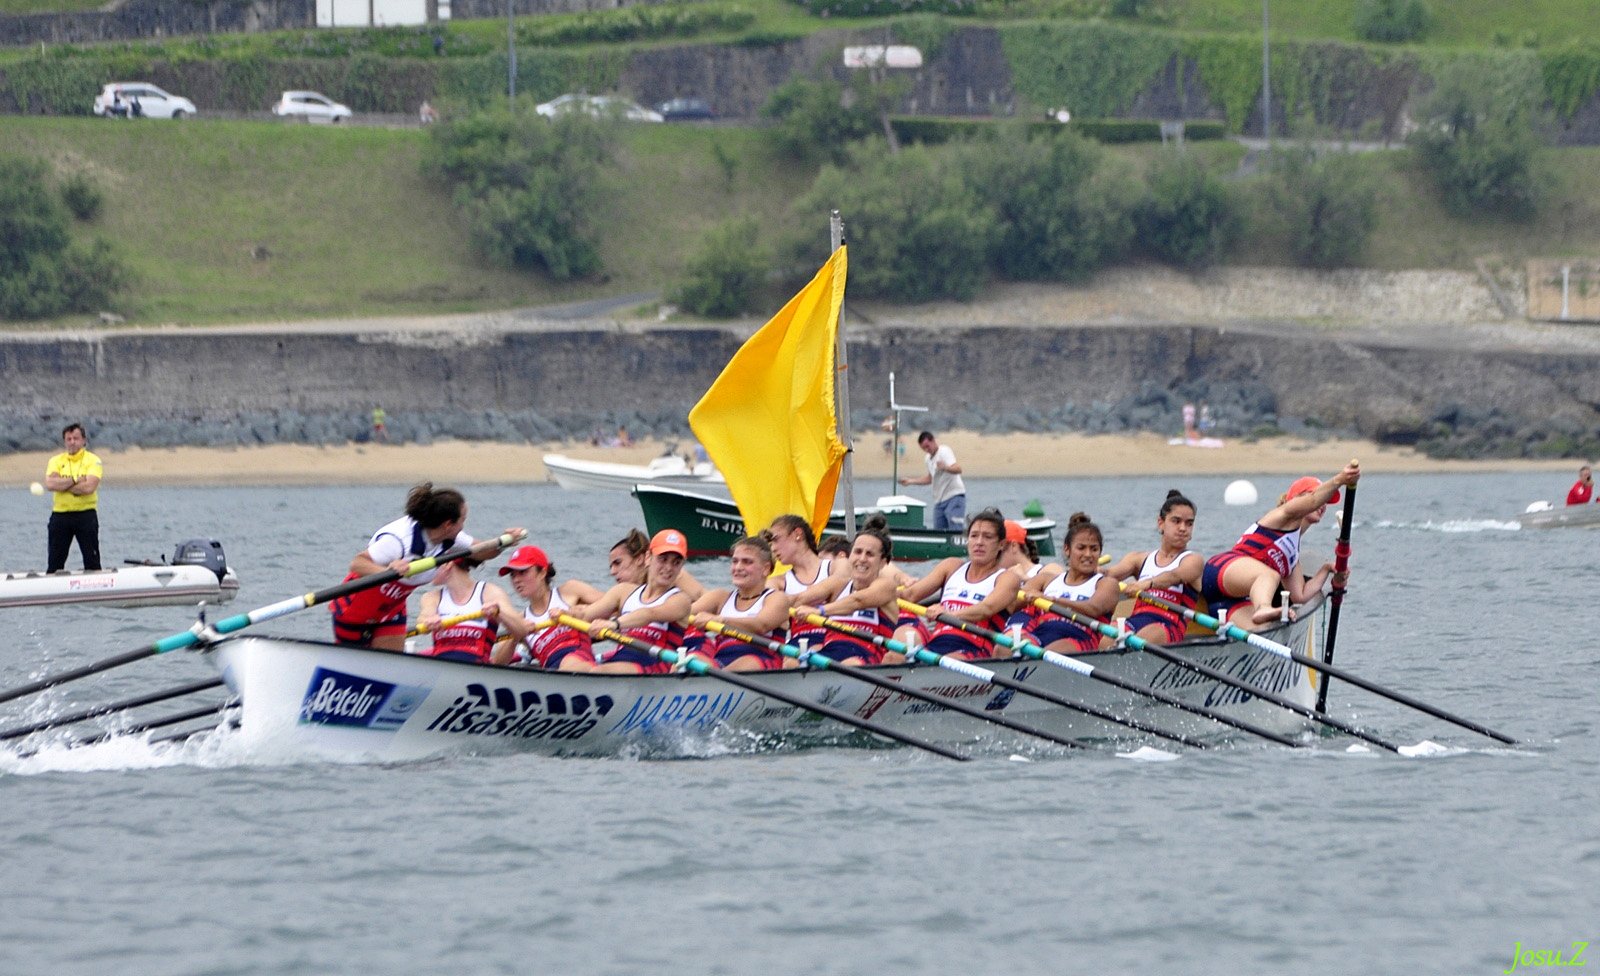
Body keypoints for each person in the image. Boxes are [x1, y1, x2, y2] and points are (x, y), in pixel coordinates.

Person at [1199, 463, 1361, 630]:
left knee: (1263, 632)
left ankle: (1260, 614)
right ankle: (1263, 608)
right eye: (1322, 497)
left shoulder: (1292, 557)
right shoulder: (1282, 516)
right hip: (1220, 570)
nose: (1324, 504)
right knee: (1270, 575)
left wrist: (1326, 569)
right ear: (1297, 499)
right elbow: (1313, 501)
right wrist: (1341, 479)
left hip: (1230, 600)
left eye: (1327, 501)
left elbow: (1301, 596)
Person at [329, 482, 475, 650]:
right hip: (355, 608)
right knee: (355, 666)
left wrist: (506, 540)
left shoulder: (452, 537)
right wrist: (387, 572)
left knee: (389, 666)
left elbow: (482, 550)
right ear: (448, 524)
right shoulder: (398, 539)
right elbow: (357, 564)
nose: (463, 525)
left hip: (392, 610)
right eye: (463, 520)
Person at [898, 509, 1021, 661]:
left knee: (948, 659)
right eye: (974, 536)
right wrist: (874, 593)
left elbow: (986, 609)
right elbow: (909, 595)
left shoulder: (1007, 578)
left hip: (975, 651)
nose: (979, 542)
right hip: (936, 645)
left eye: (987, 537)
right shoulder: (951, 566)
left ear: (1001, 544)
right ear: (967, 540)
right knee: (893, 656)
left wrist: (947, 614)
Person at [579, 529, 694, 674]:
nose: (669, 568)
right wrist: (561, 613)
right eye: (663, 559)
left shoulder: (680, 600)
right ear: (648, 558)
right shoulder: (624, 591)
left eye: (676, 562)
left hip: (655, 667)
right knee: (575, 668)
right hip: (621, 659)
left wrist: (613, 624)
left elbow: (649, 614)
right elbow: (584, 615)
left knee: (597, 672)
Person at [793, 523, 900, 666]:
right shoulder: (839, 584)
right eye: (858, 552)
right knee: (791, 663)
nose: (862, 559)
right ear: (850, 556)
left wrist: (819, 611)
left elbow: (858, 601)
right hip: (830, 652)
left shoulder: (886, 586)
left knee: (850, 664)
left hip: (865, 656)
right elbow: (799, 598)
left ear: (883, 562)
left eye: (870, 554)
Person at [1105, 490, 1204, 644]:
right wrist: (1088, 570)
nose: (1183, 528)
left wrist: (1147, 583)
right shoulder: (1139, 559)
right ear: (1161, 523)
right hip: (1135, 621)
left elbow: (1174, 576)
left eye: (1189, 523)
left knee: (1146, 635)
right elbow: (1110, 574)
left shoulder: (1193, 561)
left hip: (1168, 626)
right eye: (1176, 521)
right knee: (1108, 634)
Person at [686, 536, 792, 671]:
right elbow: (681, 615)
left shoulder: (776, 598)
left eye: (747, 562)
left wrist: (719, 620)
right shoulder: (719, 597)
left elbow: (761, 625)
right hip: (721, 663)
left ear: (766, 569)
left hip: (761, 662)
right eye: (735, 561)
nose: (738, 567)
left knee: (747, 663)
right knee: (692, 658)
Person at [1017, 513, 1120, 653]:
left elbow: (1093, 608)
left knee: (1052, 650)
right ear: (1067, 550)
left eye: (1094, 549)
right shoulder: (1046, 580)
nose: (1088, 554)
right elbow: (1012, 602)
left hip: (1080, 639)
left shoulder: (1107, 584)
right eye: (1081, 548)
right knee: (1005, 648)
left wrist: (1051, 600)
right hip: (1042, 635)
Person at [500, 545, 604, 671]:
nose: (516, 580)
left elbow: (616, 606)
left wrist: (581, 612)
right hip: (553, 671)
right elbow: (497, 663)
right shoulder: (520, 620)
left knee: (569, 661)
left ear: (542, 572)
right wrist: (516, 636)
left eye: (523, 572)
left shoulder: (571, 591)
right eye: (512, 575)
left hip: (579, 659)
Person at [416, 558, 520, 664]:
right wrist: (427, 621)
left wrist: (499, 613)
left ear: (448, 564)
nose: (426, 572)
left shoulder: (490, 593)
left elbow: (521, 629)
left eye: (433, 564)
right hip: (441, 669)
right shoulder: (431, 597)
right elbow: (423, 618)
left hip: (477, 670)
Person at [767, 513, 846, 650]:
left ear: (798, 534)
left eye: (776, 539)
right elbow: (770, 606)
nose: (773, 548)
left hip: (836, 638)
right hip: (800, 642)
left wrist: (791, 601)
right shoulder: (776, 582)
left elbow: (839, 581)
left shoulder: (838, 565)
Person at [44, 423, 103, 574]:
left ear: (84, 440)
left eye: (75, 438)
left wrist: (63, 485)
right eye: (68, 439)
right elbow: (50, 484)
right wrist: (76, 480)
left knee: (92, 560)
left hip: (85, 515)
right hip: (60, 515)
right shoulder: (55, 461)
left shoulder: (93, 460)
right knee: (55, 562)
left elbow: (89, 487)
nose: (72, 442)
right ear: (64, 441)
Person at [607, 528, 704, 601]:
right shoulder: (623, 592)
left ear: (640, 559)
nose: (612, 572)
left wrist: (682, 613)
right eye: (611, 566)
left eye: (618, 563)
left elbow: (712, 597)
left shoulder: (673, 575)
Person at [898, 430, 966, 531]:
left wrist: (945, 467)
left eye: (927, 446)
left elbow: (958, 469)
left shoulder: (944, 451)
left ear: (933, 441)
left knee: (954, 527)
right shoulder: (928, 459)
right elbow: (930, 479)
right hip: (939, 500)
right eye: (923, 448)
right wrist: (910, 481)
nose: (926, 450)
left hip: (954, 496)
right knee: (938, 530)